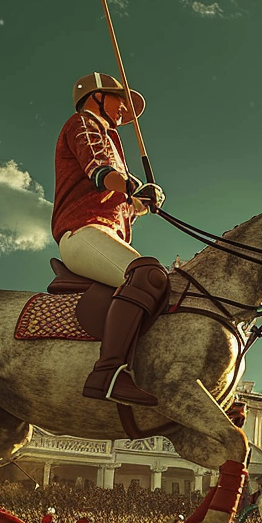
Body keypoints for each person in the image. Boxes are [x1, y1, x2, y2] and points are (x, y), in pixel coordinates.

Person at [53, 72, 168, 407]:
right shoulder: (85, 124)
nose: (124, 110)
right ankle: (108, 373)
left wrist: (140, 203)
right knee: (147, 275)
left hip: (104, 231)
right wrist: (132, 183)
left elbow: (120, 208)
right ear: (96, 97)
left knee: (158, 283)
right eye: (120, 100)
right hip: (84, 232)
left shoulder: (108, 135)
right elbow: (100, 171)